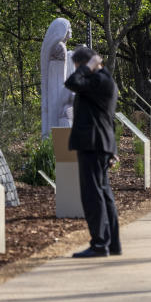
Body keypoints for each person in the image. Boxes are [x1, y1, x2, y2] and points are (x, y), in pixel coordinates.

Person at [64, 46, 121, 258]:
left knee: (93, 195)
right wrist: (112, 149)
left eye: (77, 66)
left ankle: (99, 243)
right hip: (99, 143)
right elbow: (106, 117)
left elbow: (72, 83)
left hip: (92, 144)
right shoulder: (101, 81)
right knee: (103, 194)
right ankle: (111, 243)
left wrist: (87, 67)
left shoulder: (99, 80)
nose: (78, 70)